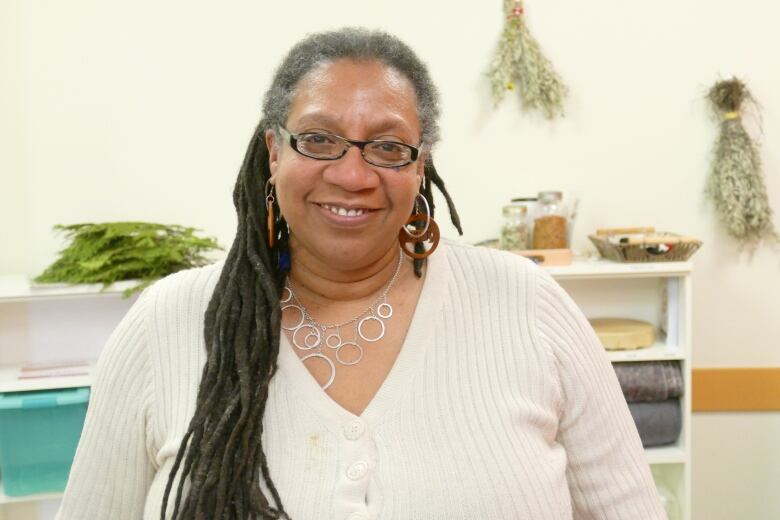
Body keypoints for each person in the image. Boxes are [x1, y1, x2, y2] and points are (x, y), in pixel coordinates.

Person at [57, 27, 666, 520]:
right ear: (274, 153)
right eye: (319, 139)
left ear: (420, 164)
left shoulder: (527, 305)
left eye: (387, 146)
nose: (352, 175)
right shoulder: (164, 326)